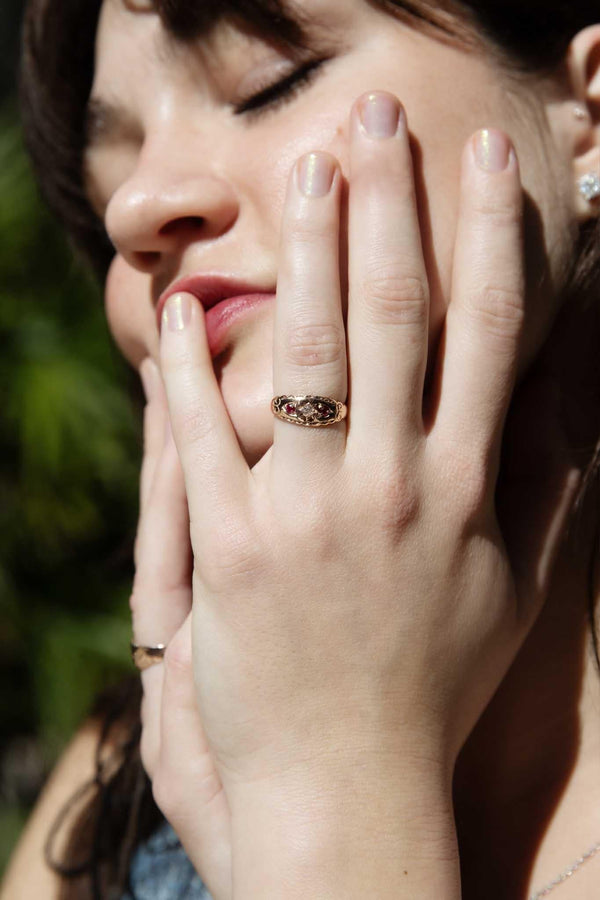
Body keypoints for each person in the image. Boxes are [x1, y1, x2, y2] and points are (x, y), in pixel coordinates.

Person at [2, 0, 600, 896]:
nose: (139, 206)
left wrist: (341, 777)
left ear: (586, 112)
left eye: (269, 83)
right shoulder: (112, 809)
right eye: (107, 181)